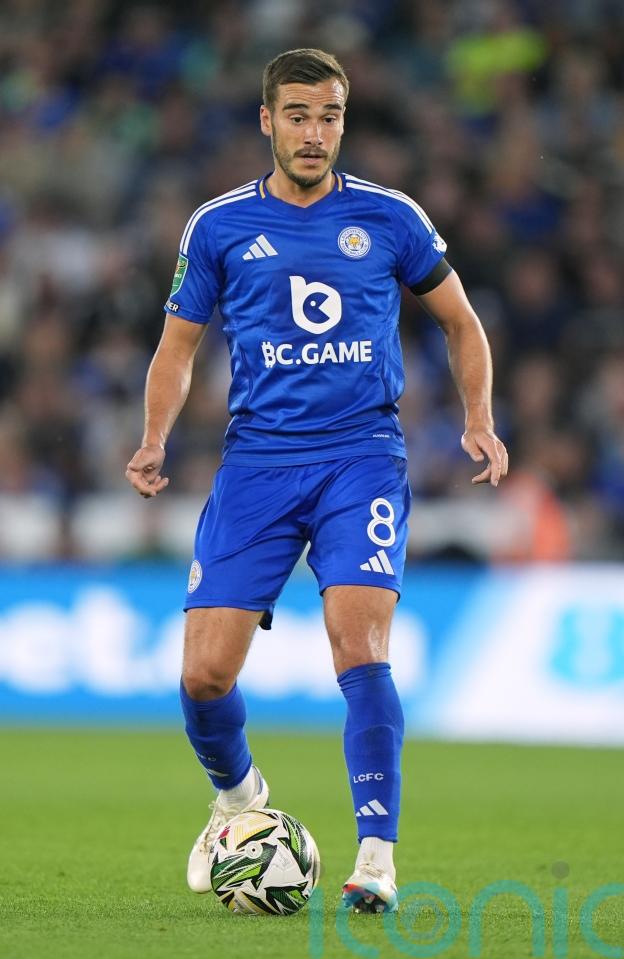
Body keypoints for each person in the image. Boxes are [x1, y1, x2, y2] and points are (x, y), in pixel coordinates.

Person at [125, 48, 508, 914]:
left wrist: (479, 418)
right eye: (297, 115)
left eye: (329, 115)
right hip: (257, 462)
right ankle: (239, 800)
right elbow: (178, 346)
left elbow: (461, 321)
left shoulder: (391, 217)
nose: (313, 132)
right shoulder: (218, 225)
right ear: (267, 120)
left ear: (344, 121)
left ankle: (377, 853)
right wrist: (153, 437)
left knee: (359, 645)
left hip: (360, 456)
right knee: (204, 677)